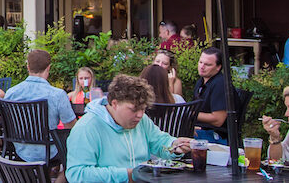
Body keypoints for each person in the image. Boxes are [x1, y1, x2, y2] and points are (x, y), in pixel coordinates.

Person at [64, 74, 198, 183]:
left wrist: (174, 145)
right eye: (134, 109)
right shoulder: (87, 127)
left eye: (143, 109)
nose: (140, 115)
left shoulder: (141, 120)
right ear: (114, 104)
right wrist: (128, 175)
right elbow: (77, 174)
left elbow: (158, 141)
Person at [2, 49, 74, 164]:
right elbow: (70, 126)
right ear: (49, 67)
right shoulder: (57, 95)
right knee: (74, 157)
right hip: (49, 151)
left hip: (21, 150)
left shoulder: (11, 93)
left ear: (28, 67)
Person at [190, 47, 230, 139]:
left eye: (207, 64)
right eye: (200, 62)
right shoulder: (201, 81)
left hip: (216, 135)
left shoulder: (221, 84)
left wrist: (189, 113)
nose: (202, 67)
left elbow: (218, 119)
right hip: (200, 130)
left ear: (218, 67)